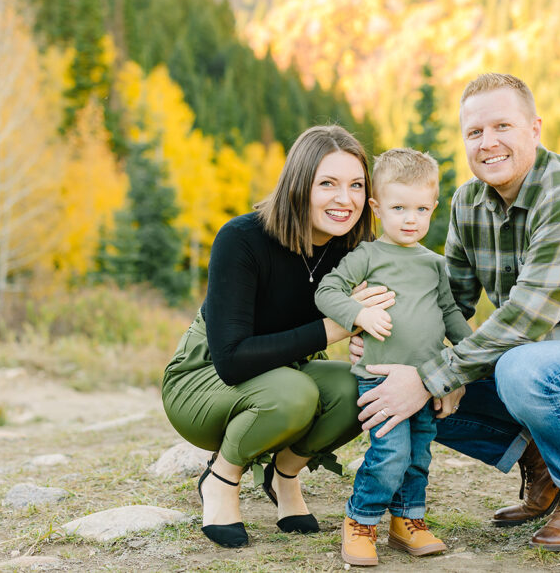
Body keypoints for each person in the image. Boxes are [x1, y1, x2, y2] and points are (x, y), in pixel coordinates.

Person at [351, 73, 560, 552]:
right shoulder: (467, 202)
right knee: (402, 384)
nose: (489, 143)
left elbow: (526, 319)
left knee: (505, 369)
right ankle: (543, 464)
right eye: (475, 132)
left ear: (535, 129)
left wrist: (432, 375)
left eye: (503, 126)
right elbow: (449, 303)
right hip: (531, 363)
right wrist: (388, 342)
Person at [161, 125, 394, 548]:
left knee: (359, 388)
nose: (345, 200)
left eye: (356, 185)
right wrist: (337, 327)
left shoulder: (356, 249)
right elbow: (230, 360)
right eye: (328, 183)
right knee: (294, 393)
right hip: (205, 378)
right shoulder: (242, 239)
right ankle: (221, 478)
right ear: (299, 184)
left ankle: (285, 477)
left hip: (289, 374)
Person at [315, 148, 472, 566]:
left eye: (421, 209)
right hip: (380, 378)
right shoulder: (367, 255)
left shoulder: (435, 263)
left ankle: (407, 522)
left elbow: (450, 313)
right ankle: (361, 519)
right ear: (377, 207)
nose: (410, 219)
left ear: (433, 208)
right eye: (399, 207)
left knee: (419, 455)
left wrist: (473, 356)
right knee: (390, 455)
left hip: (426, 380)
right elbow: (326, 292)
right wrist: (359, 313)